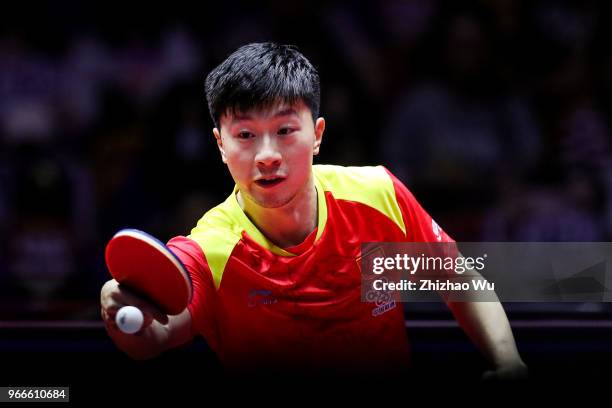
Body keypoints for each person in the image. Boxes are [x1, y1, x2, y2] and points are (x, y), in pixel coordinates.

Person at [100, 42, 527, 379]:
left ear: (317, 134)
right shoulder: (210, 250)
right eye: (246, 134)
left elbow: (458, 277)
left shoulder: (376, 197)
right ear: (220, 146)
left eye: (285, 131)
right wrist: (123, 318)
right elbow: (156, 336)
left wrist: (508, 361)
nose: (267, 155)